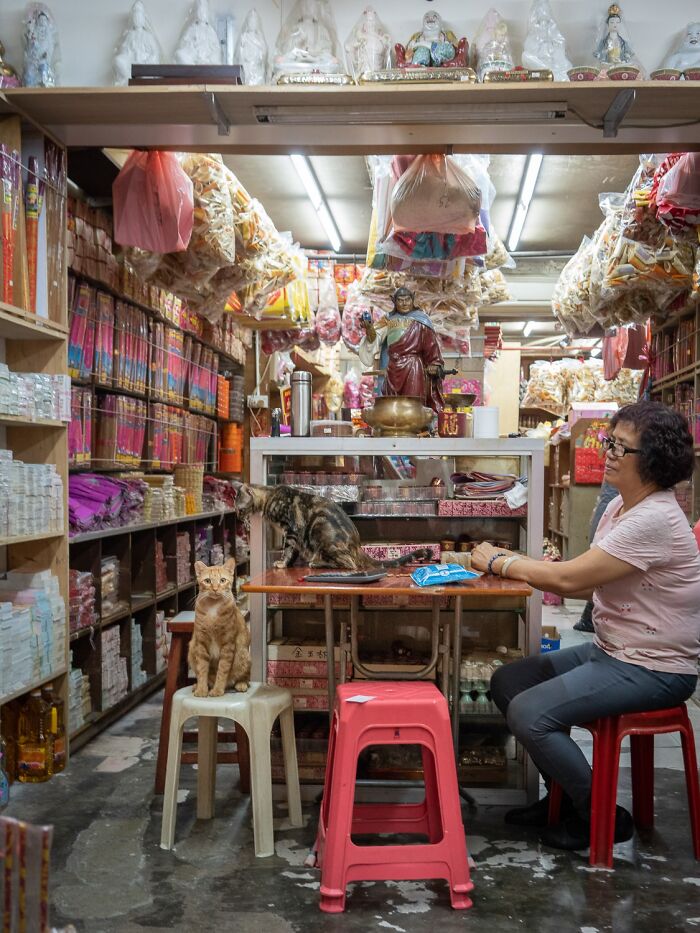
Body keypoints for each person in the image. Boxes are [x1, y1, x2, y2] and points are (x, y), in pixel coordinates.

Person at [471, 401, 700, 851]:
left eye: (620, 448)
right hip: (614, 650)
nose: (608, 453)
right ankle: (565, 799)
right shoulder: (620, 507)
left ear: (653, 461)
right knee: (509, 682)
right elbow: (583, 571)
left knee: (530, 713)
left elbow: (571, 580)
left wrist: (501, 562)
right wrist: (515, 562)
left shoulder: (654, 518)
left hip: (654, 666)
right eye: (610, 442)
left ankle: (602, 814)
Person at [358, 287, 445, 413]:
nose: (404, 303)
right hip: (392, 368)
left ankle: (416, 424)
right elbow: (374, 339)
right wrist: (369, 328)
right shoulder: (388, 319)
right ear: (394, 301)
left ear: (412, 299)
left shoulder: (422, 320)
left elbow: (431, 346)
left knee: (413, 404)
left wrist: (435, 364)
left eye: (407, 299)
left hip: (413, 367)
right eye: (400, 300)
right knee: (391, 406)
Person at [573, 480, 618, 633]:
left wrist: (510, 564)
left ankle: (588, 619)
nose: (607, 469)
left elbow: (566, 580)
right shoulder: (616, 503)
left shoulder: (650, 516)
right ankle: (588, 618)